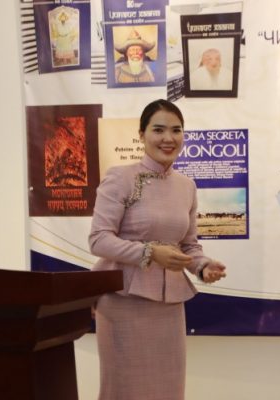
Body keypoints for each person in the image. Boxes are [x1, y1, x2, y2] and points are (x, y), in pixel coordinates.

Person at [89, 99, 226, 400]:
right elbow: (98, 239)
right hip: (123, 302)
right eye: (158, 130)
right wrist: (149, 253)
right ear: (141, 134)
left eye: (176, 130)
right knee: (125, 390)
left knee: (168, 390)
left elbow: (188, 245)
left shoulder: (186, 186)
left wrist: (203, 266)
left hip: (169, 307)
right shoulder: (120, 177)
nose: (168, 138)